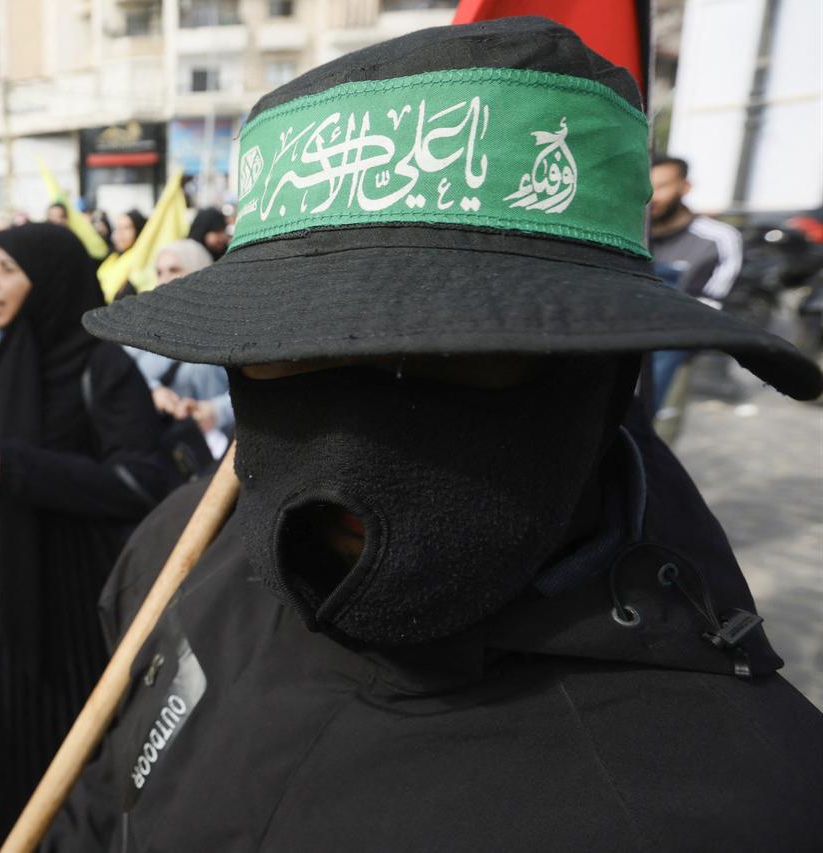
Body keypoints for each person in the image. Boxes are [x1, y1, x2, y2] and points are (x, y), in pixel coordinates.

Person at [48, 17, 823, 850]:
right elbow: (105, 792)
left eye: (449, 359)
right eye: (283, 353)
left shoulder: (742, 807)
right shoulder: (178, 555)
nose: (345, 453)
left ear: (606, 373)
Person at [0, 223, 173, 852]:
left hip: (68, 614)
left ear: (46, 282)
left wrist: (16, 468)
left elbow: (142, 480)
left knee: (63, 774)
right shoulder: (5, 357)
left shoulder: (103, 365)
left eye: (4, 269)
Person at [650, 155, 745, 421]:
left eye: (662, 185)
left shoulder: (717, 239)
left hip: (673, 346)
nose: (652, 195)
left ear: (685, 187)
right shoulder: (629, 231)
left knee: (654, 434)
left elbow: (711, 303)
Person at [126, 238, 234, 458]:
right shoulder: (142, 327)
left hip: (217, 455)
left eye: (174, 269)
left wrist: (215, 411)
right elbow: (119, 370)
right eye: (158, 272)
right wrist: (153, 391)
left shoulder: (230, 327)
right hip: (159, 453)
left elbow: (259, 390)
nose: (163, 280)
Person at [98, 209, 147, 300]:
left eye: (126, 228)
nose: (119, 233)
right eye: (117, 228)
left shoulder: (141, 259)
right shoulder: (112, 257)